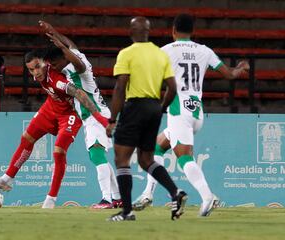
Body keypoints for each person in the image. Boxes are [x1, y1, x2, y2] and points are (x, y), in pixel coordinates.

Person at [133, 13, 250, 217]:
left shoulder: (167, 51)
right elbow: (230, 74)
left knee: (184, 158)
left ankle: (208, 197)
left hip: (179, 111)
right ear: (192, 31)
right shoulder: (204, 51)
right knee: (156, 148)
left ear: (173, 31)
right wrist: (241, 68)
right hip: (196, 112)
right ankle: (147, 194)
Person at [0, 49, 109, 208]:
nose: (35, 72)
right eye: (30, 69)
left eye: (37, 66)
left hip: (70, 114)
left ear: (45, 63)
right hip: (50, 108)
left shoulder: (57, 79)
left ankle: (51, 199)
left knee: (59, 151)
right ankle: (7, 178)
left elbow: (79, 93)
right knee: (26, 138)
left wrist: (99, 117)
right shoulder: (39, 74)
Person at [105, 16, 188, 221]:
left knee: (122, 159)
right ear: (148, 32)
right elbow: (172, 88)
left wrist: (112, 119)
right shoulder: (160, 55)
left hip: (135, 106)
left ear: (131, 32)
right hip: (153, 107)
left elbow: (120, 87)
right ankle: (175, 193)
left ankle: (126, 212)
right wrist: (160, 109)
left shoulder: (127, 54)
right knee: (146, 159)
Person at [38, 21, 122, 209]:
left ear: (63, 58)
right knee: (97, 156)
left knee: (97, 153)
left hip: (95, 114)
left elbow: (78, 63)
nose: (54, 68)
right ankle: (117, 197)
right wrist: (55, 32)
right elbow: (71, 44)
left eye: (55, 63)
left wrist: (60, 46)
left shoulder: (78, 67)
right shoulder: (74, 55)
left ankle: (107, 199)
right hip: (93, 115)